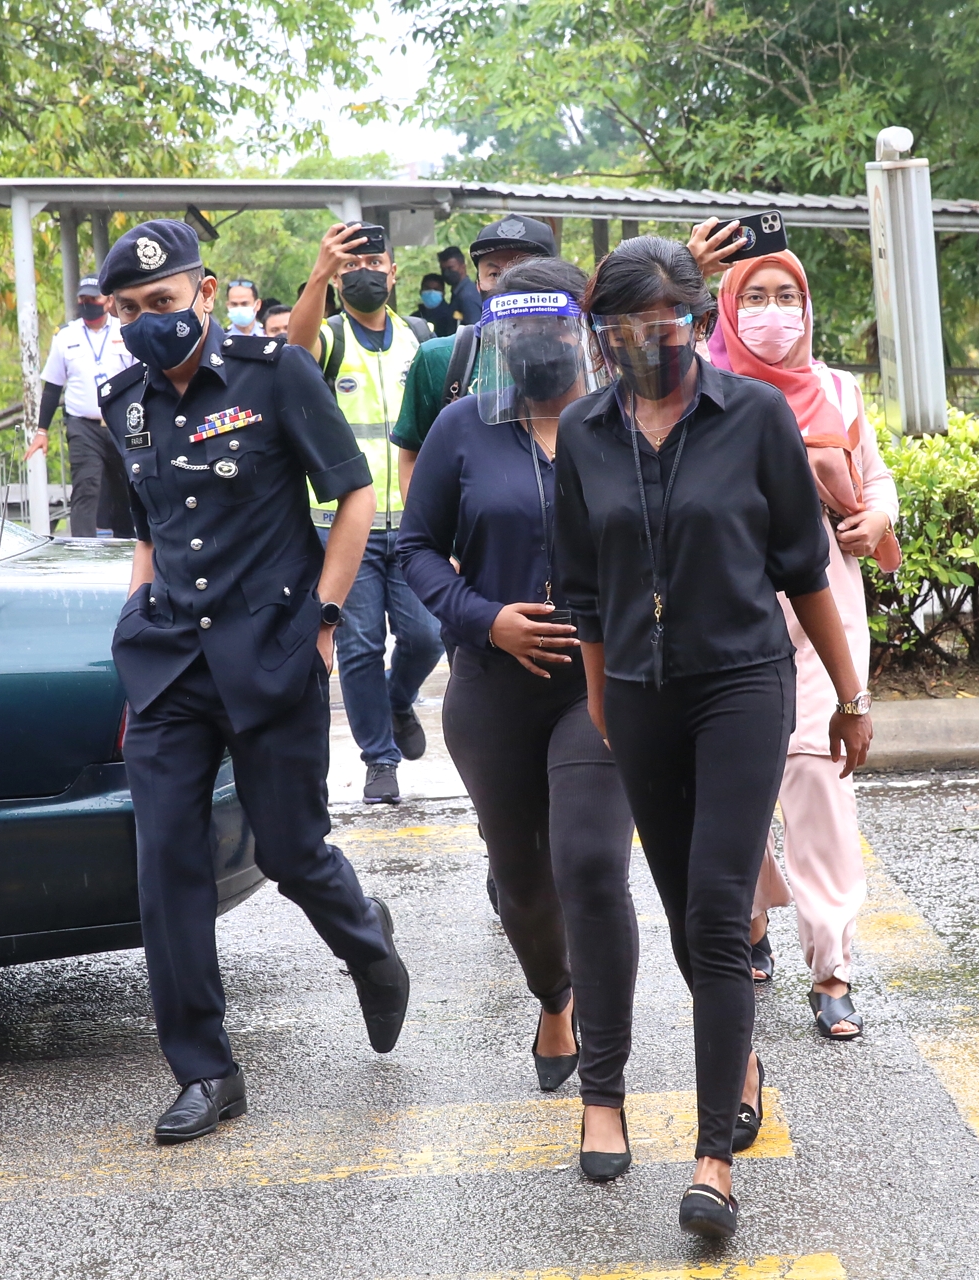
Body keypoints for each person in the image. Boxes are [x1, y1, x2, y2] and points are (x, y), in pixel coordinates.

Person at [554, 236, 873, 1237]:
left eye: (663, 324)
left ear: (695, 320)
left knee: (716, 905)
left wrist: (850, 695)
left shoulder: (756, 416)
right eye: (623, 330)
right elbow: (584, 598)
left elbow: (804, 568)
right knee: (685, 904)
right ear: (603, 337)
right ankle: (738, 1059)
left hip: (741, 682)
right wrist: (606, 706)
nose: (646, 344)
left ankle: (713, 1158)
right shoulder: (586, 433)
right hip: (640, 696)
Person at [94, 218, 411, 1145]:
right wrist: (135, 616)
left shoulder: (274, 373)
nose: (148, 320)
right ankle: (206, 1069)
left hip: (270, 652)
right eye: (128, 310)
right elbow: (148, 525)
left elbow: (353, 491)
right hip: (169, 667)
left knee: (290, 853)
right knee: (166, 869)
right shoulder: (125, 402)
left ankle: (368, 944)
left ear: (202, 289)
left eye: (162, 301)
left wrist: (324, 618)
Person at [398, 257, 639, 1179]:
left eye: (554, 329)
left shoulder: (623, 419)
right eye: (518, 333)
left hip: (598, 685)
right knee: (523, 883)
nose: (538, 350)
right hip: (491, 689)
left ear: (584, 329)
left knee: (588, 863)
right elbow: (415, 548)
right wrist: (481, 619)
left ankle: (604, 1094)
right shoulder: (464, 428)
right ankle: (554, 994)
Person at [708, 251, 899, 1042]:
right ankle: (748, 917)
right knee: (731, 785)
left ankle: (833, 969)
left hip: (825, 614)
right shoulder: (698, 388)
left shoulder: (839, 389)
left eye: (788, 294)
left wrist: (877, 517)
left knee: (820, 785)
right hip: (727, 612)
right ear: (724, 306)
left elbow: (876, 476)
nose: (774, 310)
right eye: (754, 296)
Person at [287, 223, 444, 805]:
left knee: (426, 636)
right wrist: (321, 274)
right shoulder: (329, 336)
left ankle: (398, 700)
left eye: (374, 262)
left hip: (413, 522)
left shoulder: (421, 339)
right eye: (352, 266)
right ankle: (379, 759)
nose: (365, 273)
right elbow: (295, 352)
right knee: (357, 646)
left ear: (394, 272)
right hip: (343, 524)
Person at [391, 216, 561, 499]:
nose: (507, 284)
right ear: (479, 282)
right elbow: (412, 460)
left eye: (523, 271)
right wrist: (428, 537)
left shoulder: (580, 353)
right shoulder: (440, 358)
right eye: (494, 274)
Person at [37, 276, 137, 537]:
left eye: (93, 298)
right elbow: (52, 387)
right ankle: (83, 549)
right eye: (83, 299)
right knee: (86, 486)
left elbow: (141, 375)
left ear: (108, 301)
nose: (87, 303)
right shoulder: (65, 336)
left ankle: (126, 547)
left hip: (120, 423)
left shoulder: (125, 330)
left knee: (124, 487)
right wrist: (41, 431)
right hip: (83, 426)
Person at [437, 245, 481, 327]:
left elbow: (474, 332)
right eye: (443, 269)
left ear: (463, 267)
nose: (446, 273)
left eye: (450, 268)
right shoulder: (459, 293)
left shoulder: (467, 296)